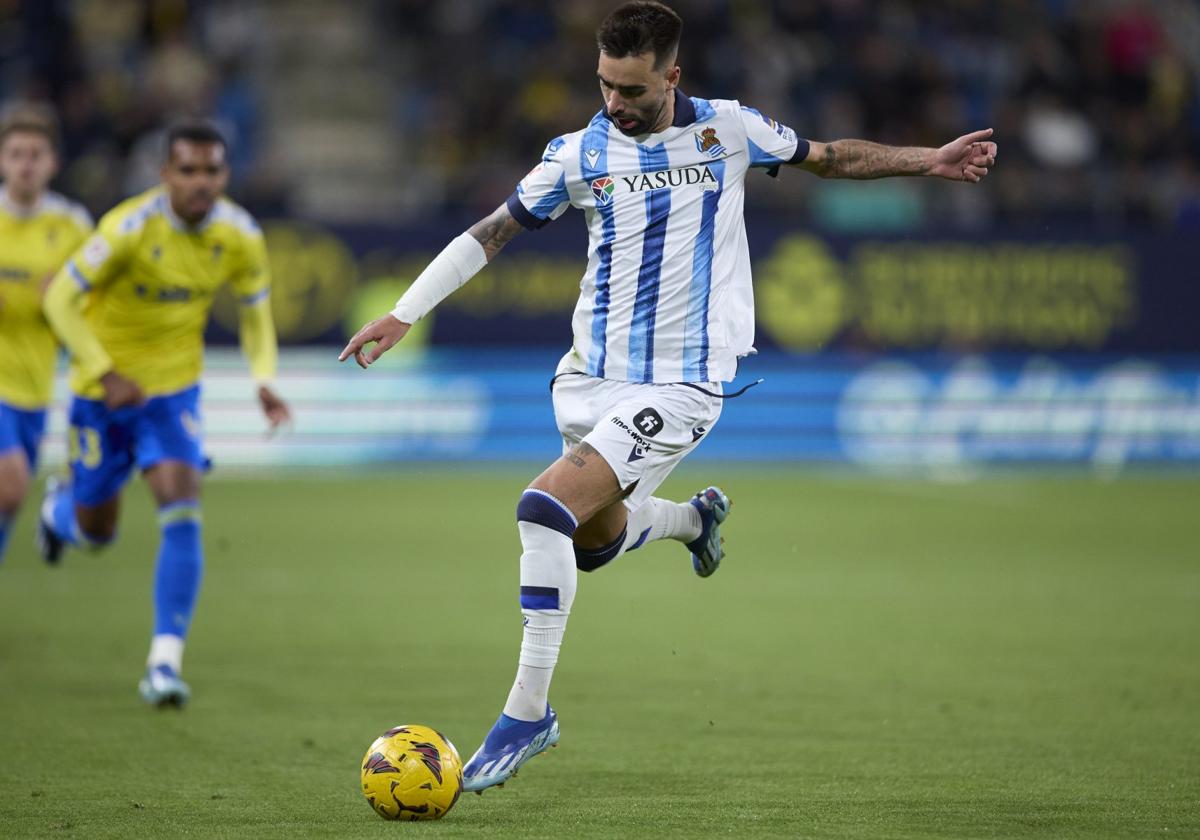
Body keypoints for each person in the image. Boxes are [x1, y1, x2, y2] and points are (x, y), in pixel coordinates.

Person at [339, 0, 997, 791]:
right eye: (606, 85)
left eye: (633, 89)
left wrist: (928, 160)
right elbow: (493, 230)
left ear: (672, 76)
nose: (616, 103)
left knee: (541, 510)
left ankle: (526, 714)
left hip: (685, 382)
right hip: (587, 381)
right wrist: (405, 312)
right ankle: (692, 520)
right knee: (591, 541)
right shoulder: (578, 152)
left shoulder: (730, 130)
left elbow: (830, 157)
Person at [38, 121, 291, 707]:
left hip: (172, 395)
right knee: (97, 531)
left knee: (182, 506)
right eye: (189, 171)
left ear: (225, 176)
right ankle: (58, 516)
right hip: (99, 396)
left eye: (212, 172)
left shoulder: (240, 236)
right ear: (165, 175)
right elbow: (58, 300)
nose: (201, 183)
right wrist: (104, 370)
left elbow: (255, 314)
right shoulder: (127, 228)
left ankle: (163, 663)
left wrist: (263, 380)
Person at [0, 106, 93, 565]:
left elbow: (97, 305)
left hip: (35, 386)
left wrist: (64, 299)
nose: (25, 163)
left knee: (9, 498)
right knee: (11, 483)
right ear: (2, 160)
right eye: (16, 153)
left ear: (53, 162)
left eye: (35, 154)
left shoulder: (73, 225)